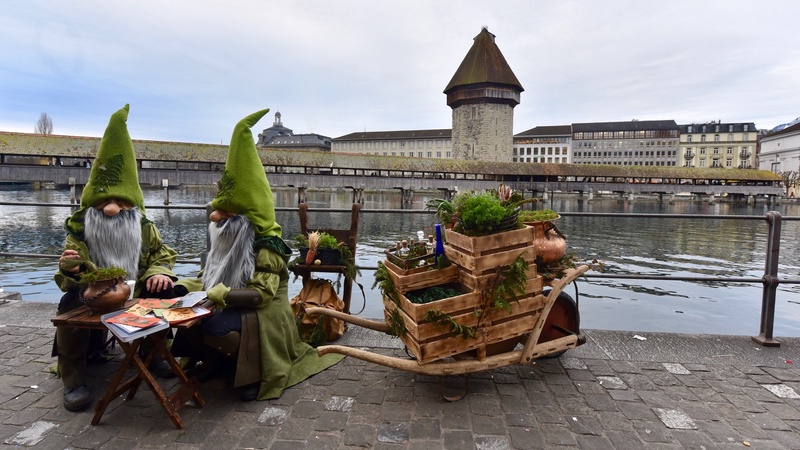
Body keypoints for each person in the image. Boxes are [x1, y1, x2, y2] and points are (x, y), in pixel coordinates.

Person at [173, 108, 343, 401]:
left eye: (226, 212)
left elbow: (260, 294)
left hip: (260, 313)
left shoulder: (269, 244)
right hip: (226, 302)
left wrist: (219, 295)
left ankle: (253, 372)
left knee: (214, 326)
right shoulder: (227, 235)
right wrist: (182, 288)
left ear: (247, 214)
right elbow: (208, 275)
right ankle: (218, 363)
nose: (216, 218)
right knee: (188, 319)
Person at [53, 104, 179, 412]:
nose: (111, 209)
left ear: (132, 203)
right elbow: (71, 268)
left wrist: (158, 272)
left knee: (164, 290)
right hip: (93, 294)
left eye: (120, 201)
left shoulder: (145, 227)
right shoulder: (80, 228)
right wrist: (71, 270)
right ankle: (74, 379)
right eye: (104, 202)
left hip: (135, 290)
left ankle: (156, 353)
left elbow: (163, 254)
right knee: (69, 306)